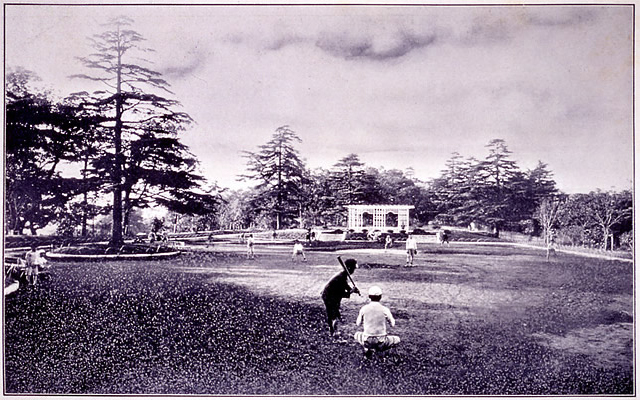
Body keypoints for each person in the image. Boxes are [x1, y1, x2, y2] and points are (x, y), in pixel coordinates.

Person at [354, 285, 400, 359]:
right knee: (397, 339)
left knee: (356, 335)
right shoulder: (385, 309)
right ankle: (383, 353)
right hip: (381, 342)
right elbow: (393, 324)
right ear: (380, 297)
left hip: (367, 341)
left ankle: (367, 350)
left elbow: (357, 324)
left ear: (369, 296)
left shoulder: (364, 308)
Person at [321, 258, 360, 340]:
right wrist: (351, 291)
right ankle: (332, 331)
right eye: (353, 268)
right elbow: (342, 293)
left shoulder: (343, 275)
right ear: (349, 268)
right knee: (331, 313)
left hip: (333, 295)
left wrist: (352, 290)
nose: (354, 271)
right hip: (328, 295)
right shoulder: (341, 277)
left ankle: (334, 329)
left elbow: (346, 286)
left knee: (335, 310)